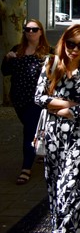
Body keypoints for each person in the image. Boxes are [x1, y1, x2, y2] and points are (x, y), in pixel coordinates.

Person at [35, 24, 80, 232]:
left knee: (71, 186)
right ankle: (71, 223)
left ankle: (64, 230)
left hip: (79, 137)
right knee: (55, 186)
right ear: (64, 41)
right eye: (71, 43)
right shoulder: (51, 63)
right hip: (53, 136)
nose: (75, 49)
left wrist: (57, 106)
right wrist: (68, 104)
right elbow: (38, 98)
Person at [1, 19, 51, 185]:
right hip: (18, 99)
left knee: (29, 131)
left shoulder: (47, 52)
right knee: (33, 127)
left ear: (40, 31)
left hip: (37, 100)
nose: (30, 32)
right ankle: (42, 151)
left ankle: (26, 168)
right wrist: (7, 59)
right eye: (27, 29)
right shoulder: (17, 50)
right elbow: (5, 72)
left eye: (34, 29)